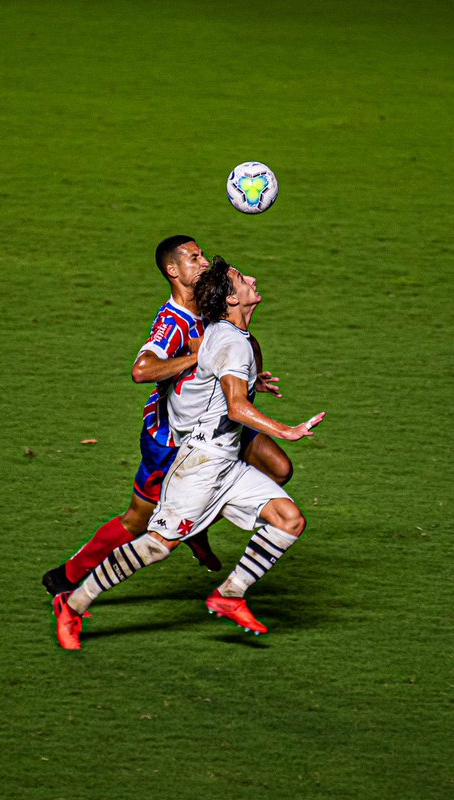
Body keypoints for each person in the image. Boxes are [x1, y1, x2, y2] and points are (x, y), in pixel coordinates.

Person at [52, 256, 326, 650]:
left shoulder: (222, 332)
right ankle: (73, 603)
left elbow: (213, 372)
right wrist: (288, 430)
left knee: (289, 519)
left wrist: (249, 381)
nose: (252, 278)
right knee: (155, 547)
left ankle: (230, 593)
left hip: (227, 463)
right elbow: (236, 407)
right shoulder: (232, 342)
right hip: (199, 465)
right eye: (241, 278)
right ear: (231, 299)